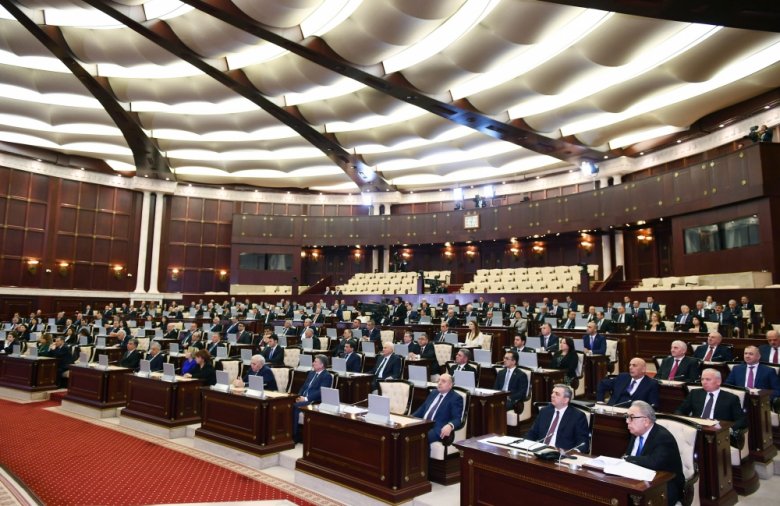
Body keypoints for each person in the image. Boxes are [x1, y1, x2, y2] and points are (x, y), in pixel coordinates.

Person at [624, 401, 685, 506]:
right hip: (639, 481)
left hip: (664, 486)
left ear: (646, 421)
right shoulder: (636, 433)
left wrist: (627, 458)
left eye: (631, 417)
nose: (627, 421)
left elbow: (654, 462)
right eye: (627, 417)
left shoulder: (663, 437)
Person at [525, 384, 589, 452]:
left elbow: (583, 443)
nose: (552, 395)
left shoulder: (577, 416)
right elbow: (532, 433)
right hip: (540, 450)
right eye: (552, 392)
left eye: (557, 394)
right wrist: (523, 444)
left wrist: (572, 453)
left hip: (561, 453)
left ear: (565, 400)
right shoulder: (545, 411)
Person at [676, 369, 746, 429]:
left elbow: (741, 420)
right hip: (697, 428)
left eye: (708, 379)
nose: (704, 382)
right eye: (702, 379)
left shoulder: (731, 398)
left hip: (717, 431)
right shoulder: (695, 393)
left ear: (718, 381)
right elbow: (680, 410)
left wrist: (727, 429)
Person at [412, 374, 463, 444]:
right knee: (405, 433)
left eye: (443, 381)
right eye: (438, 380)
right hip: (423, 424)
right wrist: (409, 418)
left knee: (419, 438)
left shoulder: (455, 398)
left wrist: (450, 425)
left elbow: (457, 419)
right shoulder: (433, 393)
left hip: (437, 428)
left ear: (450, 385)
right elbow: (422, 409)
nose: (439, 383)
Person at [293, 354, 333, 442]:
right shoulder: (311, 373)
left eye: (315, 362)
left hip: (314, 401)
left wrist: (306, 398)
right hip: (303, 398)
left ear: (321, 365)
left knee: (295, 406)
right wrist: (298, 396)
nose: (312, 363)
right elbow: (303, 387)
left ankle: (294, 435)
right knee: (286, 403)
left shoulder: (326, 376)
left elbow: (321, 392)